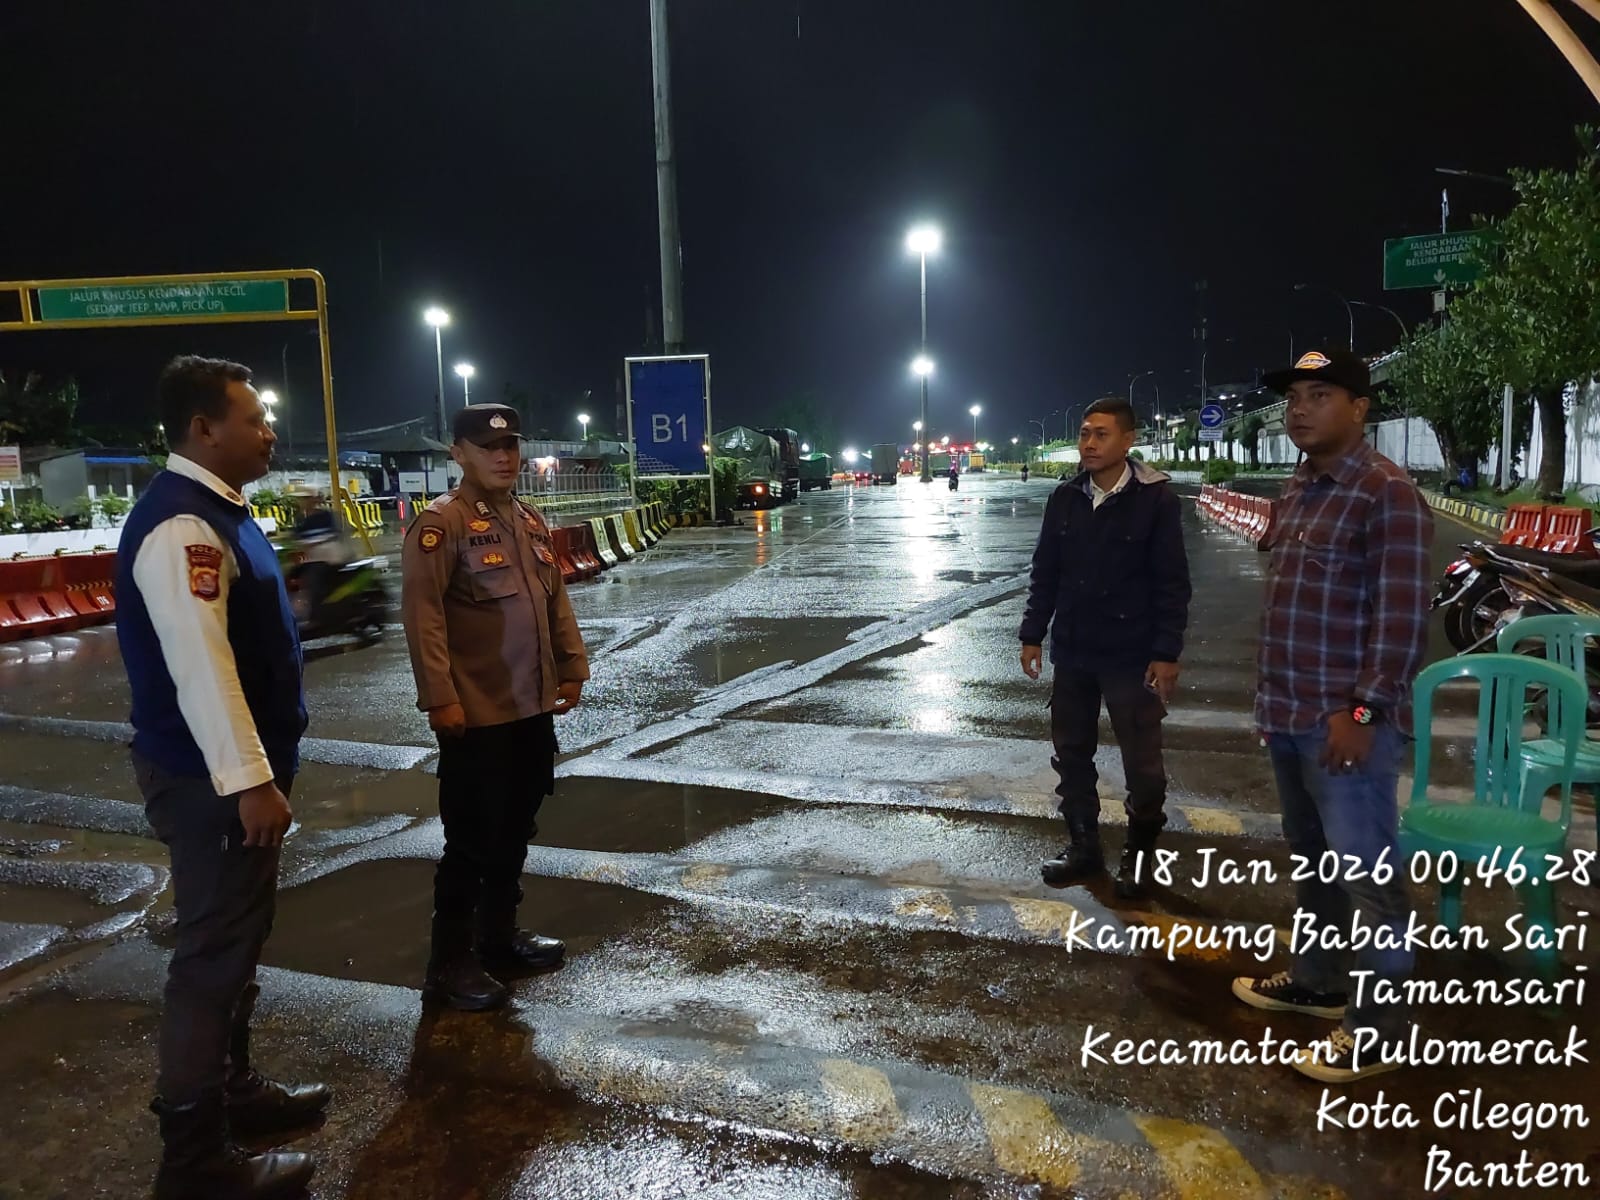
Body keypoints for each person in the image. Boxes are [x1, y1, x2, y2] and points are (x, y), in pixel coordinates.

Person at [116, 356, 325, 1199]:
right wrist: (249, 781)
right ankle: (195, 1161)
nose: (269, 432)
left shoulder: (221, 510)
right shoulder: (183, 526)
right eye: (253, 419)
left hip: (228, 777)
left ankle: (232, 1093)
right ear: (204, 429)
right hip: (210, 783)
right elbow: (203, 668)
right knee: (210, 958)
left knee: (237, 941)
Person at [1232, 348, 1432, 1084]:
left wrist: (1364, 710)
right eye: (1295, 397)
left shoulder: (1387, 493)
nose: (1300, 409)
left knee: (1370, 881)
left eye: (1320, 394)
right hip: (1287, 715)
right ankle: (1319, 981)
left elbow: (1401, 621)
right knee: (1314, 862)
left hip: (1344, 723)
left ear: (1360, 407)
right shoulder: (1301, 487)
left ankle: (1379, 1030)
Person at [401, 403, 591, 1011]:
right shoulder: (441, 525)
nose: (504, 457)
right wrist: (440, 698)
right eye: (489, 448)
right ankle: (449, 963)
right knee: (471, 840)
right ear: (458, 453)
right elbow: (424, 618)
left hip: (530, 706)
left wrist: (572, 665)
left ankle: (498, 937)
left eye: (510, 446)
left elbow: (554, 600)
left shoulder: (529, 520)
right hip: (476, 713)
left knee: (516, 826)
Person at [1018, 398, 1191, 898]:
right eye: (1085, 434)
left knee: (1143, 765)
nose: (1089, 444)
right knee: (1071, 755)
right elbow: (1045, 572)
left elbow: (1172, 584)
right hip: (1074, 652)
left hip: (1131, 655)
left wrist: (1166, 652)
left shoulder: (1156, 500)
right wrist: (1033, 633)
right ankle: (1083, 847)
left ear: (1128, 440)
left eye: (1101, 434)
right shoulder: (1065, 497)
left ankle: (1140, 857)